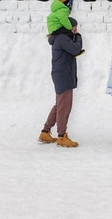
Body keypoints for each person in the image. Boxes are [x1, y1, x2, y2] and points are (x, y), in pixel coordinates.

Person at [38, 17, 84, 148]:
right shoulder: (63, 38)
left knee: (59, 105)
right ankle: (61, 136)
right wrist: (78, 37)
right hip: (64, 75)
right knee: (64, 107)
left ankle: (45, 132)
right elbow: (76, 49)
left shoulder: (60, 37)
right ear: (69, 27)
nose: (76, 29)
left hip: (62, 74)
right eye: (75, 27)